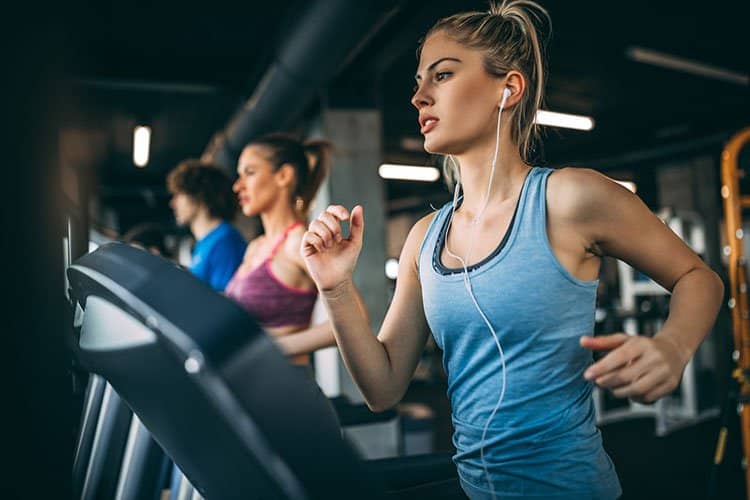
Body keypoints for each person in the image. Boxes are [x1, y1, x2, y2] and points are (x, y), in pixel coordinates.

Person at [300, 1, 724, 499]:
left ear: (509, 88)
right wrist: (335, 286)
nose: (419, 97)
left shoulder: (569, 199)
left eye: (442, 75)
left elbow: (699, 277)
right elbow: (383, 388)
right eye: (417, 82)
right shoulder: (425, 236)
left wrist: (672, 347)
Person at [225, 133, 336, 366]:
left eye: (250, 172)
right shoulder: (256, 247)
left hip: (285, 388)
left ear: (284, 175)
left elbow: (347, 325)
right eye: (239, 175)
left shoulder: (299, 243)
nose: (238, 185)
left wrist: (272, 348)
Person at [167, 159, 246, 291]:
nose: (173, 204)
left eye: (179, 195)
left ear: (198, 196)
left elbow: (225, 303)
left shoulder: (225, 241)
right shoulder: (205, 243)